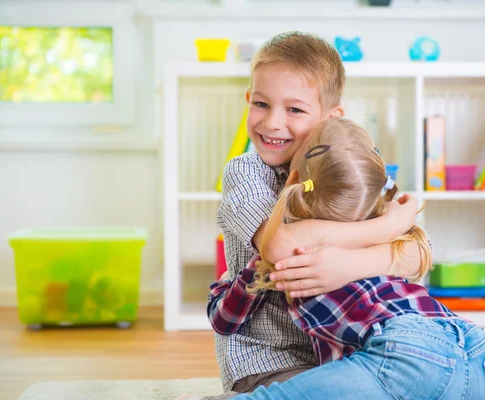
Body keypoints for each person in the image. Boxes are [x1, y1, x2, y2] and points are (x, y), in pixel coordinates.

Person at [216, 118, 485, 400]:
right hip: (478, 348)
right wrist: (391, 222)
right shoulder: (389, 229)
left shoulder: (294, 245)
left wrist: (237, 281)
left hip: (403, 352)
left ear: (293, 181)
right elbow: (422, 249)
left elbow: (228, 315)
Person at [178, 31, 423, 400]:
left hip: (347, 354)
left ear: (330, 117)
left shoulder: (346, 166)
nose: (273, 122)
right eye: (261, 104)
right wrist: (387, 226)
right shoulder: (245, 173)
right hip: (266, 361)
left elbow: (420, 252)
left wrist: (345, 266)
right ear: (248, 100)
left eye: (294, 110)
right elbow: (279, 248)